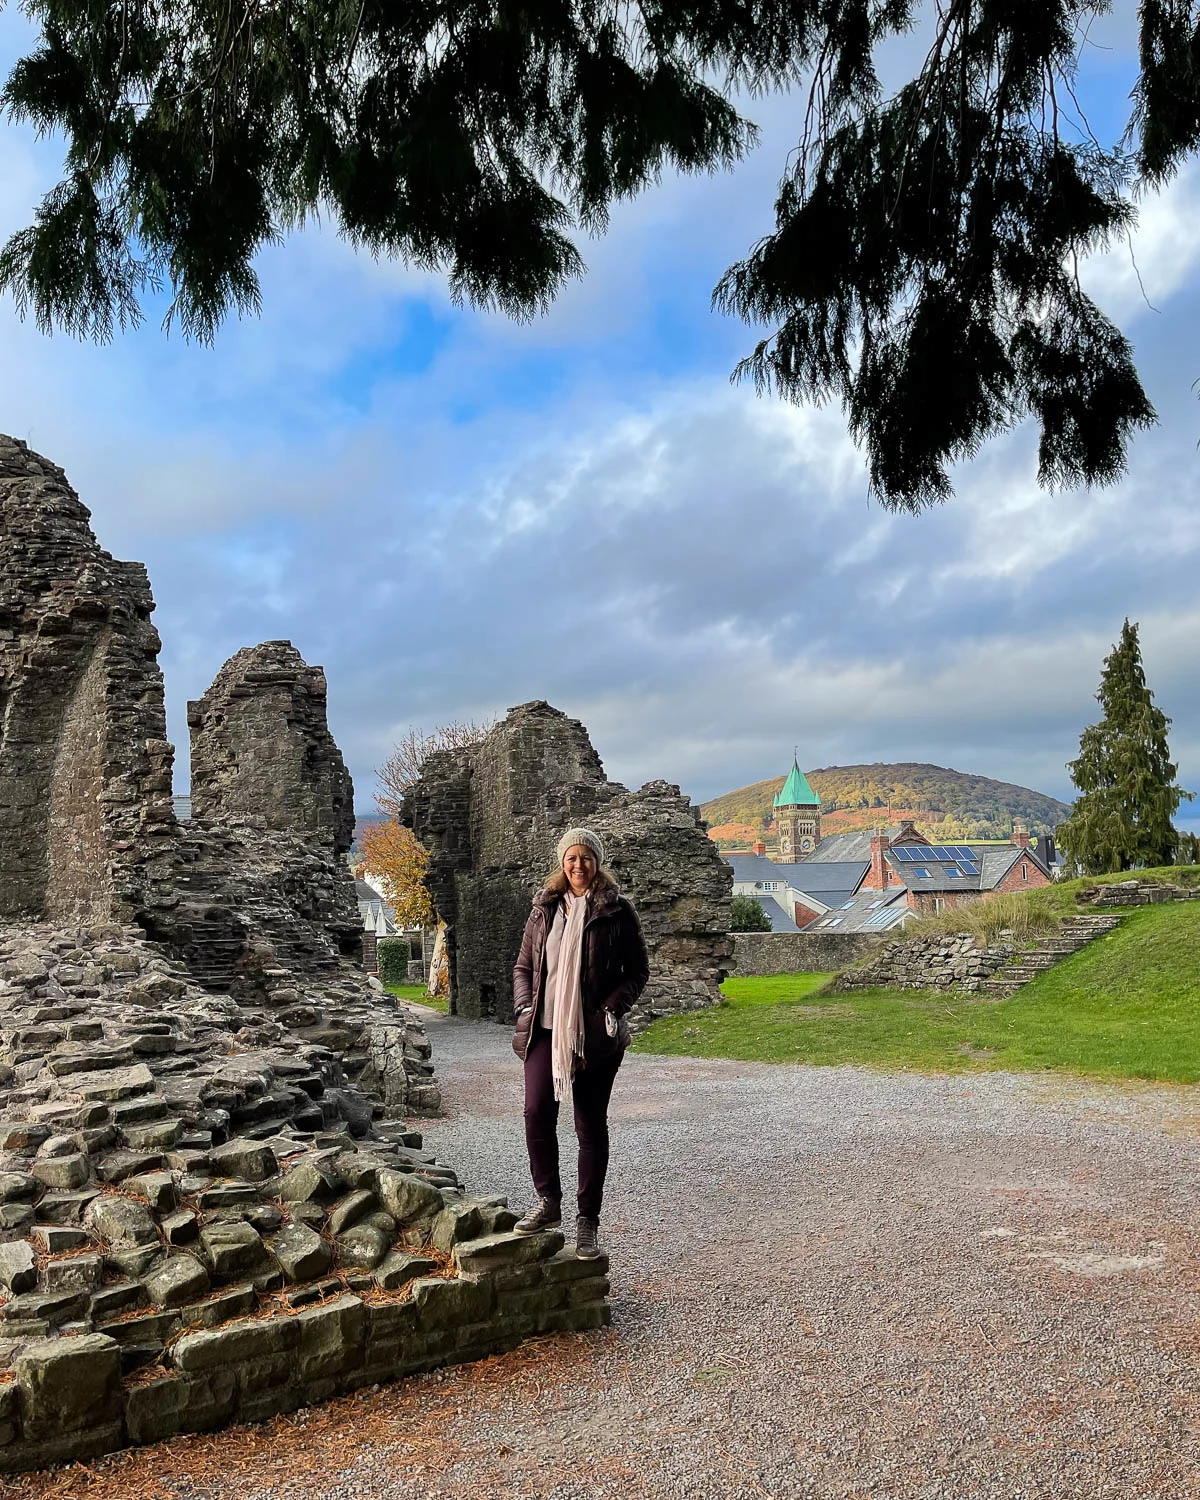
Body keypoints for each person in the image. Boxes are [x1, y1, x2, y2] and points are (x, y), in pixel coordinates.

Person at [511, 826, 649, 1259]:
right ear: (561, 862)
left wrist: (611, 1008)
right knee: (536, 1113)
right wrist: (523, 1009)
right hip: (544, 1030)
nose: (578, 865)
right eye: (571, 857)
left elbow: (637, 971)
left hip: (594, 1035)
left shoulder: (616, 911)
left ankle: (587, 1221)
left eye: (586, 857)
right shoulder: (544, 910)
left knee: (589, 1127)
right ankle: (548, 1202)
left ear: (597, 862)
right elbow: (523, 967)